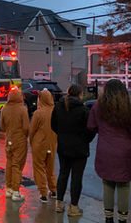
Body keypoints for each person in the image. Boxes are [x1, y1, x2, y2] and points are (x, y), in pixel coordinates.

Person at [87, 79, 131, 223]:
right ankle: (123, 218)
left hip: (105, 150)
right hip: (125, 151)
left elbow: (91, 126)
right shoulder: (128, 107)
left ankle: (108, 218)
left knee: (107, 183)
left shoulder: (98, 106)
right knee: (124, 184)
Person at [51, 84, 95, 216]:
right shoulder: (83, 110)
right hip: (79, 149)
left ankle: (59, 203)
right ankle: (73, 207)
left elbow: (53, 125)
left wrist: (62, 135)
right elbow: (90, 129)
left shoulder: (59, 107)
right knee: (77, 177)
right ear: (80, 94)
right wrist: (85, 140)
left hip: (63, 147)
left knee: (63, 174)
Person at [0, 86, 29, 202]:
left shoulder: (4, 109)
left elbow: (2, 126)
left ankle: (9, 189)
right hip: (20, 140)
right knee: (17, 165)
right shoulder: (22, 109)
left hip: (9, 139)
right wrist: (25, 136)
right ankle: (16, 191)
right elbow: (26, 127)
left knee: (9, 163)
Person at [29, 89, 57, 203]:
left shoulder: (38, 113)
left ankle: (43, 193)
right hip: (52, 143)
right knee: (50, 168)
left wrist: (31, 142)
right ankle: (54, 190)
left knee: (39, 168)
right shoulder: (55, 111)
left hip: (39, 144)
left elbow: (32, 130)